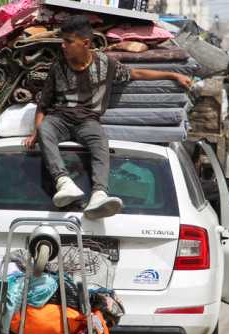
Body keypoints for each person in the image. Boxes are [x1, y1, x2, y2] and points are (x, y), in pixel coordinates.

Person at [23, 16, 191, 219]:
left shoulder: (106, 64)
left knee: (100, 142)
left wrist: (173, 76)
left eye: (68, 41)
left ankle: (99, 195)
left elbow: (136, 74)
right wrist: (36, 132)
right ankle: (64, 182)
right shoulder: (58, 66)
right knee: (45, 128)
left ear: (85, 43)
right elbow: (43, 105)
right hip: (60, 119)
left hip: (88, 121)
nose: (63, 46)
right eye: (63, 41)